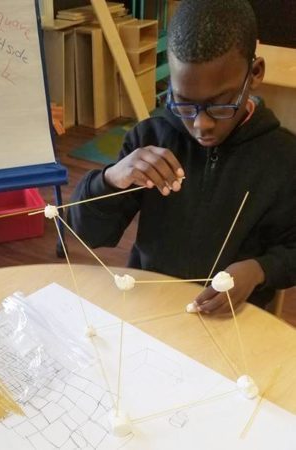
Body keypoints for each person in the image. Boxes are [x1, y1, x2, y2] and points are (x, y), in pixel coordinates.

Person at [69, 0, 296, 314]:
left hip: (233, 319)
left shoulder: (283, 158)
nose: (201, 124)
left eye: (221, 104)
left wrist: (260, 270)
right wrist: (110, 179)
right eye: (184, 104)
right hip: (150, 306)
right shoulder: (150, 139)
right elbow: (84, 234)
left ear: (254, 73)